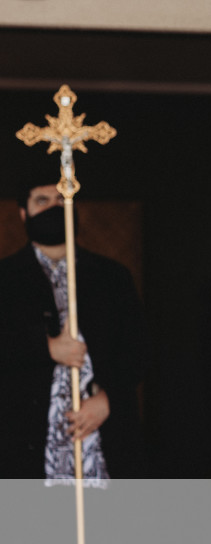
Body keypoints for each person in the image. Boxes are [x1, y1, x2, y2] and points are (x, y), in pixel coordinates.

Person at [0, 175, 146, 481]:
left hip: (102, 443)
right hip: (24, 447)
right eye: (42, 201)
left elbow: (138, 351)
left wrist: (109, 400)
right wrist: (47, 348)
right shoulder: (6, 279)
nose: (54, 207)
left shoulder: (112, 277)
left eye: (62, 200)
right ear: (24, 213)